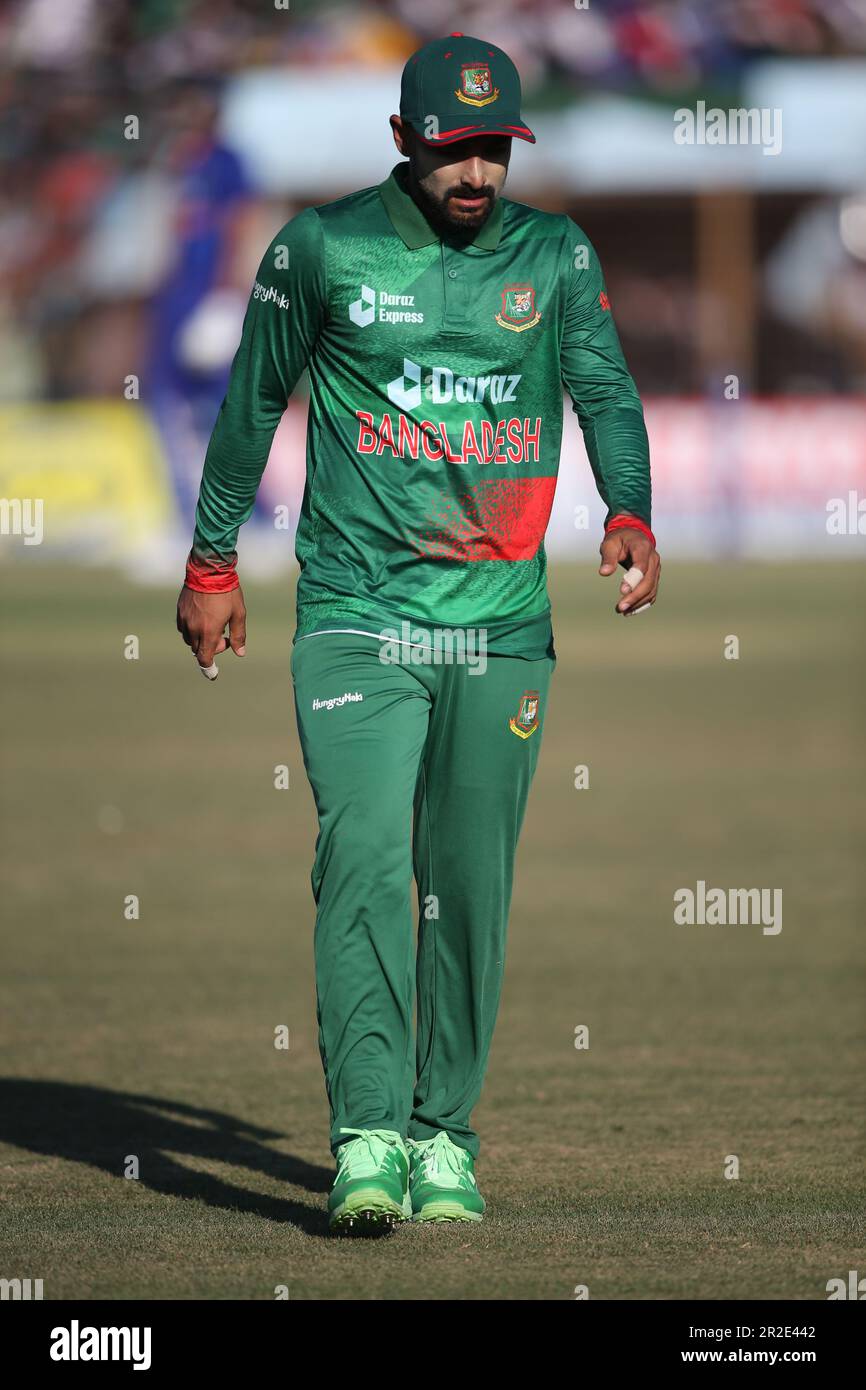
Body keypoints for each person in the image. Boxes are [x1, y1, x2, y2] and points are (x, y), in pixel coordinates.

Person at [176, 33, 660, 1233]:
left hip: (499, 630)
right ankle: (367, 1139)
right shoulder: (323, 247)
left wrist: (628, 502)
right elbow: (250, 402)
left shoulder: (553, 255)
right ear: (403, 141)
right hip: (355, 616)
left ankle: (444, 1133)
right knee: (362, 861)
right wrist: (211, 558)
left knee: (465, 886)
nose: (476, 175)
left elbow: (599, 385)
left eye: (494, 150)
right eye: (452, 150)